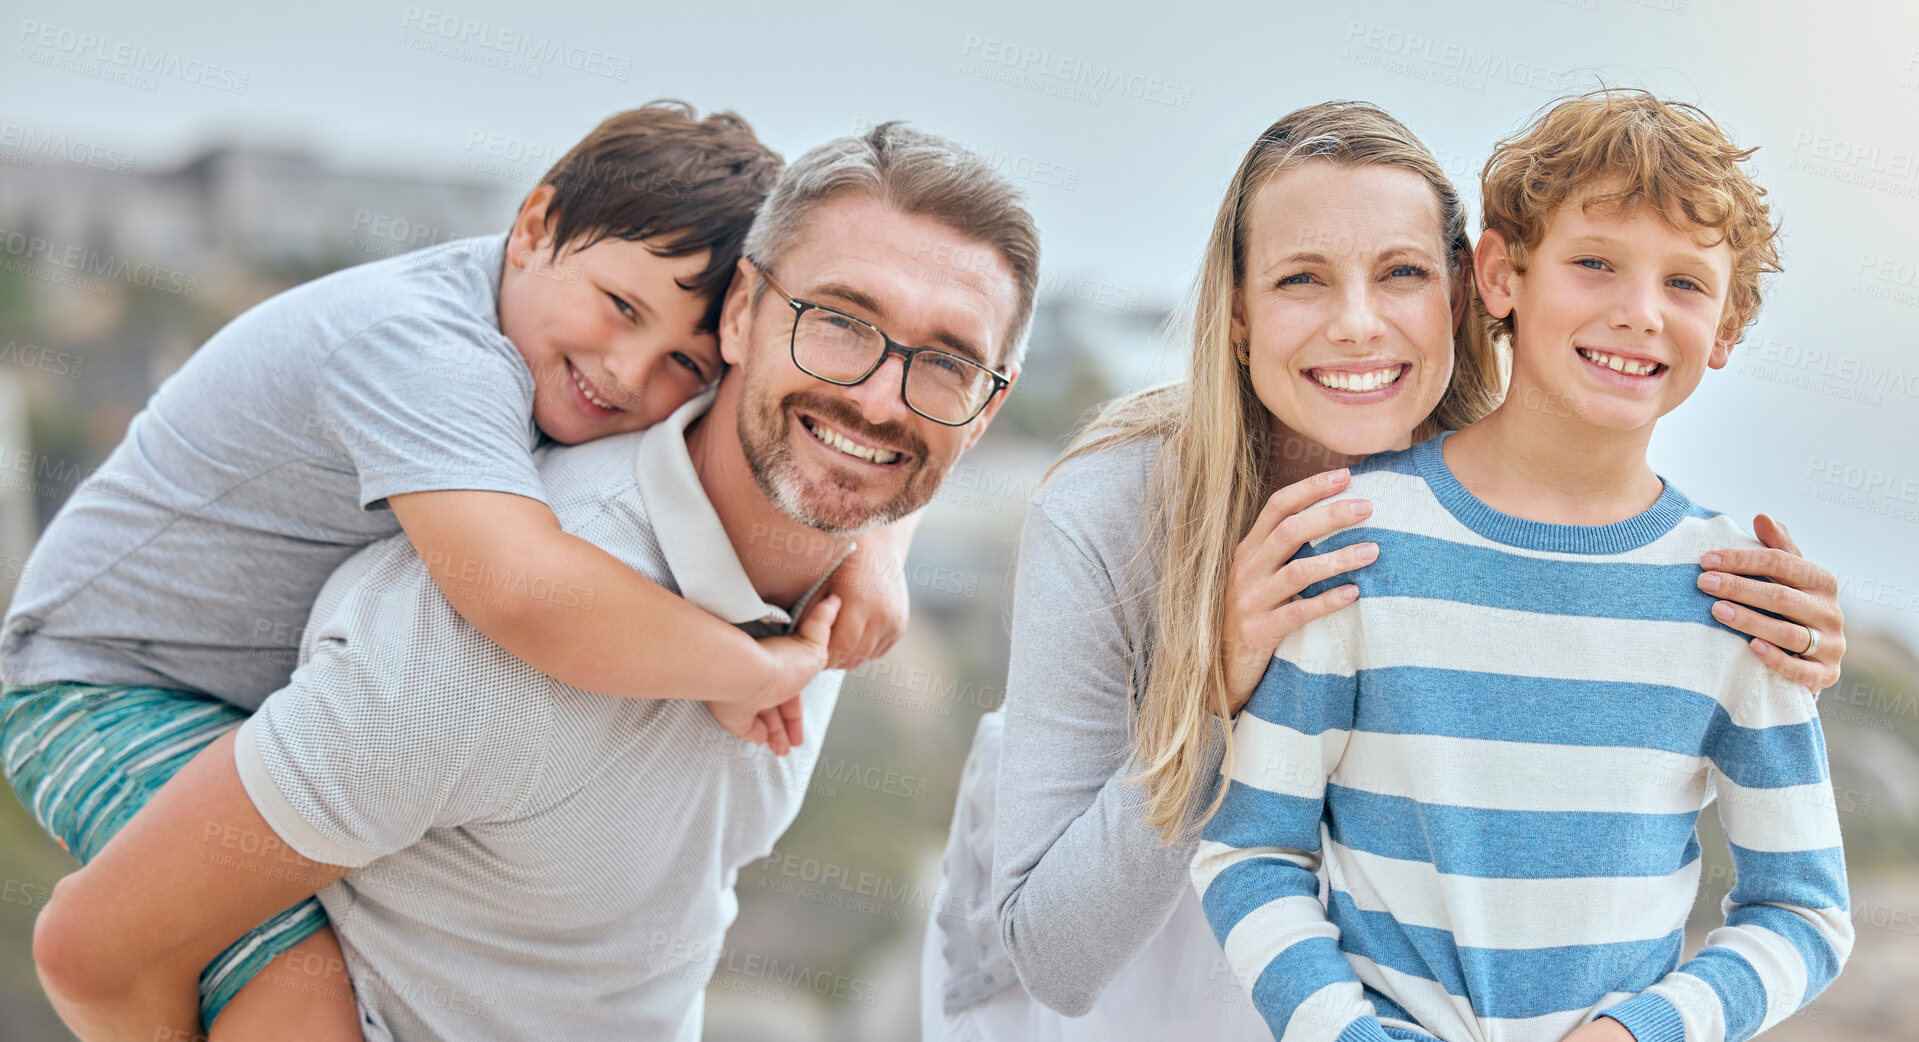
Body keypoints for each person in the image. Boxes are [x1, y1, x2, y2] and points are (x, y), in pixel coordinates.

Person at [20, 120, 1040, 1042]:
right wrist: (738, 664)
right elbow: (511, 588)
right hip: (99, 674)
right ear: (747, 316)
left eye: (945, 363)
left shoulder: (819, 559)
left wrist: (880, 548)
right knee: (284, 987)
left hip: (237, 682)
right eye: (837, 321)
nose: (630, 375)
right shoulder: (436, 391)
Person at [924, 100, 1848, 1041]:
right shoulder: (1119, 513)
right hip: (1107, 950)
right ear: (1237, 314)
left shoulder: (1577, 533)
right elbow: (1078, 951)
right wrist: (1211, 685)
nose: (1357, 325)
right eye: (1301, 279)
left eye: (1400, 273)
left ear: (1461, 288)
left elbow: (1794, 897)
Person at [1193, 89, 1852, 1042]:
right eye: (1593, 263)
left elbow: (1802, 909)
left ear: (1727, 329)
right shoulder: (1358, 540)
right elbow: (1250, 854)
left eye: (1684, 284)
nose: (1637, 312)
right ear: (1500, 274)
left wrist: (1646, 1031)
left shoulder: (1734, 597)